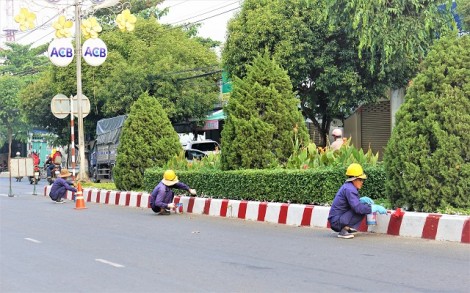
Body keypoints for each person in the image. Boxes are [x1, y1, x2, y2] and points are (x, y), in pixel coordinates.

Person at [328, 163, 387, 239]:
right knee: (361, 210)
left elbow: (352, 203)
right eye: (360, 179)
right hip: (337, 222)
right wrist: (373, 208)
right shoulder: (350, 189)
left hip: (337, 219)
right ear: (354, 179)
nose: (362, 182)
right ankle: (344, 231)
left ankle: (347, 228)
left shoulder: (348, 187)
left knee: (363, 207)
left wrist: (360, 200)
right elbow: (357, 208)